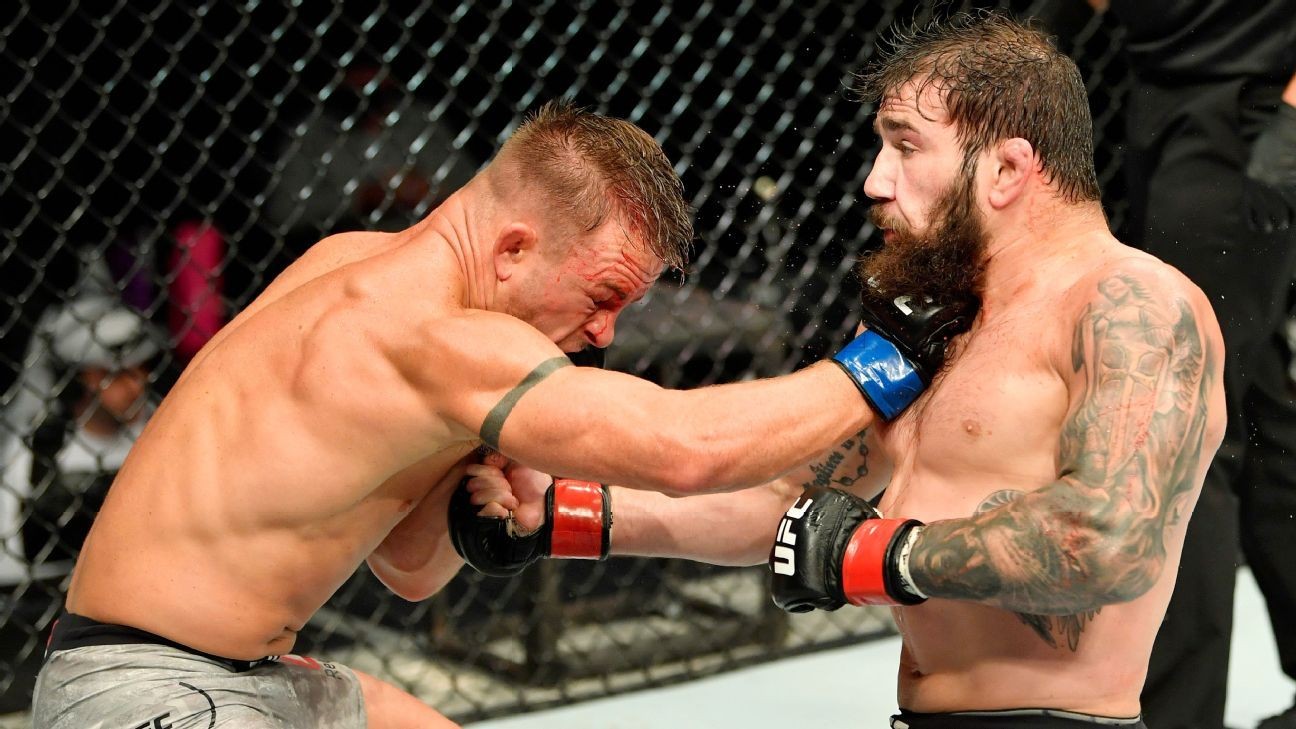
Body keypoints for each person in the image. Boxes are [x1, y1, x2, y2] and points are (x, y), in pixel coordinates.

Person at [31, 100, 976, 728]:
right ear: (515, 247)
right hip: (145, 691)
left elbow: (407, 569)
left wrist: (478, 512)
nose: (603, 331)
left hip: (230, 671)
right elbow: (683, 449)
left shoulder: (351, 260)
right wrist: (886, 357)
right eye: (602, 294)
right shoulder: (439, 341)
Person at [459, 13, 1227, 728]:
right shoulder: (938, 318)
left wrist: (873, 555)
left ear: (1007, 167)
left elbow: (1109, 536)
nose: (875, 180)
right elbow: (793, 505)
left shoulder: (1133, 306)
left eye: (906, 146)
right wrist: (561, 513)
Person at [1093, 1, 1296, 727]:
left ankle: (1178, 714)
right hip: (1162, 108)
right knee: (1261, 413)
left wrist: (1292, 127)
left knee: (1185, 423)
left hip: (1247, 119)